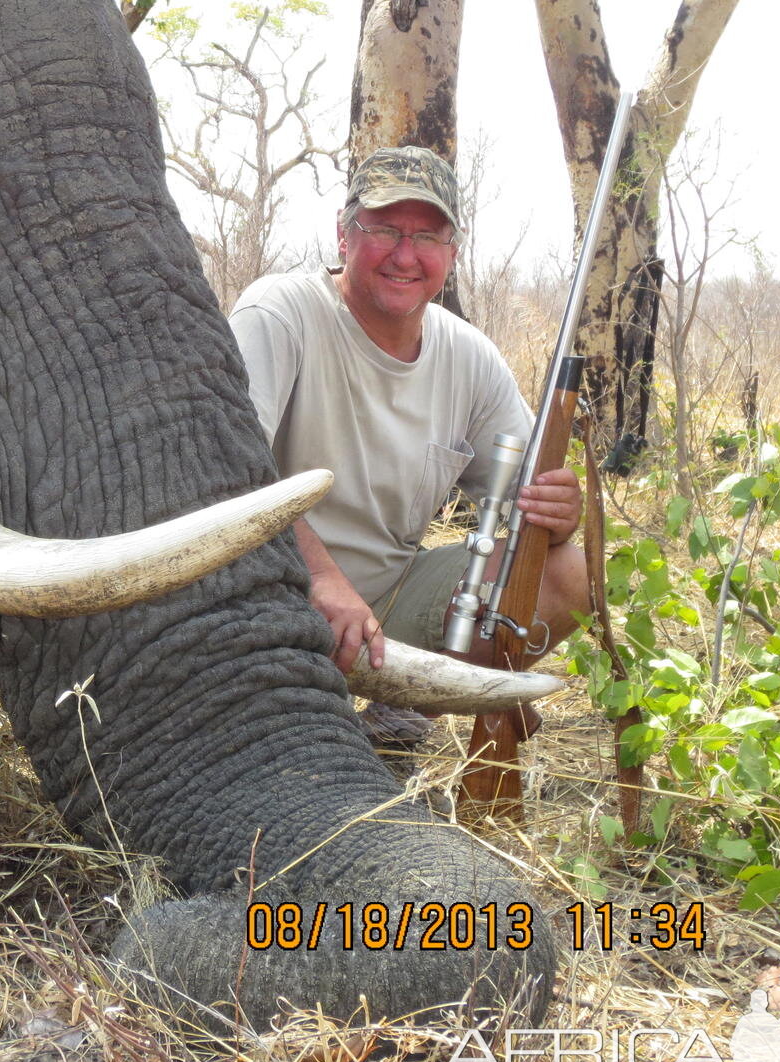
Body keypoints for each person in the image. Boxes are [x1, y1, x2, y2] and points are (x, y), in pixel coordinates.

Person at [229, 147, 590, 736]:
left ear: (452, 250)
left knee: (569, 571)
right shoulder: (280, 311)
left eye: (428, 236)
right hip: (273, 592)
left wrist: (563, 514)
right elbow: (231, 471)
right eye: (385, 229)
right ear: (344, 236)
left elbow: (538, 505)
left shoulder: (470, 355)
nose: (405, 255)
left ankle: (399, 720)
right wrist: (319, 578)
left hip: (388, 604)